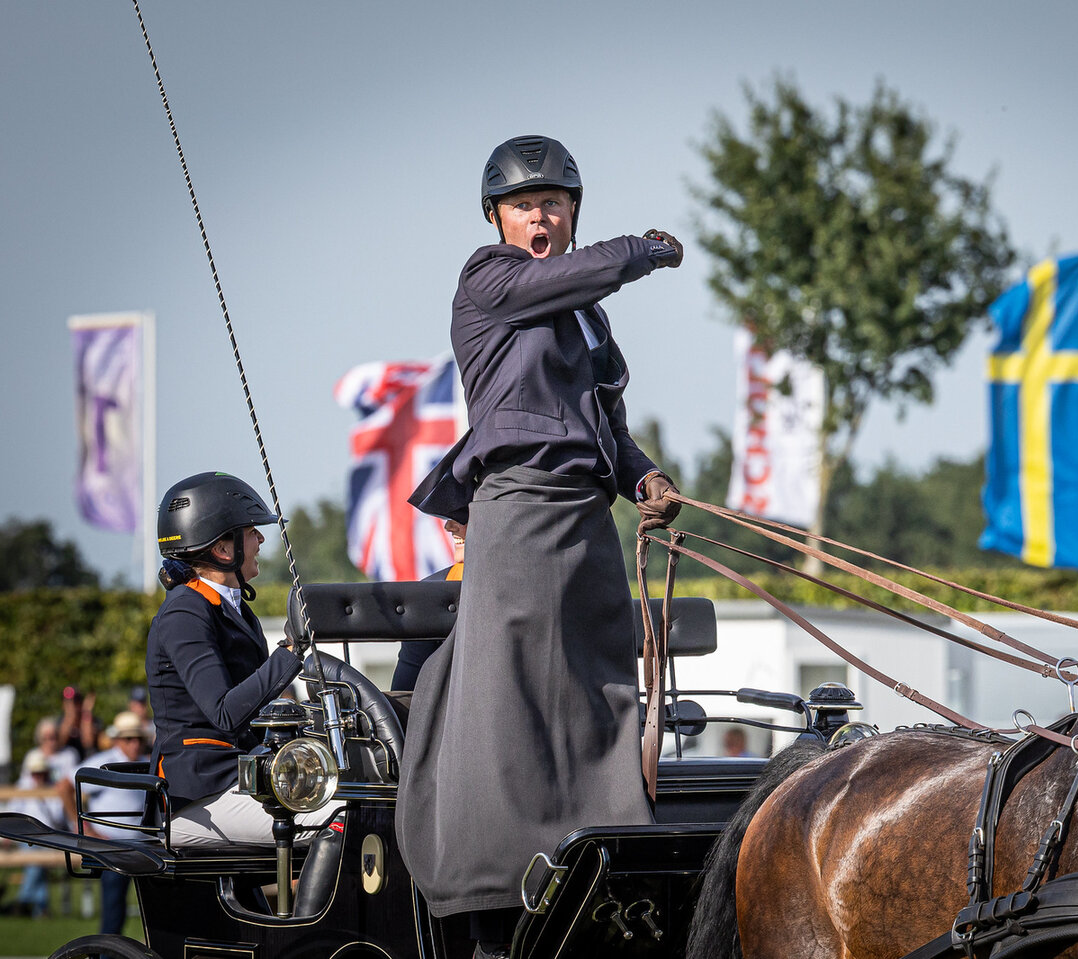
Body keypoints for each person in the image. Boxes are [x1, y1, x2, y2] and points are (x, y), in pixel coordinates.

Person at [396, 134, 683, 956]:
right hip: (517, 511)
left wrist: (646, 479)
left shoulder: (590, 321)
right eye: (526, 203)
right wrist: (640, 249)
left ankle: (599, 853)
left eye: (556, 201)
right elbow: (570, 273)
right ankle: (498, 875)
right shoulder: (488, 280)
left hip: (586, 522)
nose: (542, 214)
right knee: (510, 697)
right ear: (499, 219)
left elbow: (610, 426)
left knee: (599, 691)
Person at [147, 471, 340, 846]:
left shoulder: (233, 608)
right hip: (199, 795)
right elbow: (224, 711)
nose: (261, 539)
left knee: (366, 801)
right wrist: (290, 652)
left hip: (242, 777)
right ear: (223, 549)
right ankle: (307, 908)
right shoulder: (185, 612)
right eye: (252, 531)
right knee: (341, 820)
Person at [79, 712, 151, 934]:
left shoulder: (145, 763)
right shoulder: (103, 763)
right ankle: (107, 953)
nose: (134, 744)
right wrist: (85, 827)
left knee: (156, 911)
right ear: (118, 740)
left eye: (138, 738)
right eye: (129, 739)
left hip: (146, 847)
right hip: (113, 847)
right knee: (114, 911)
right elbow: (66, 786)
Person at [390, 519, 465, 692]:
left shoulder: (537, 585)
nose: (449, 526)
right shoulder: (426, 594)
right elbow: (405, 694)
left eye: (464, 515)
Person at [6, 752, 69, 917]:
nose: (38, 777)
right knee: (35, 862)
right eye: (35, 773)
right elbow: (12, 813)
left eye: (41, 773)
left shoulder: (54, 789)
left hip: (49, 837)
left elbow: (58, 819)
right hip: (27, 837)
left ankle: (23, 901)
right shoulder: (23, 788)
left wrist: (42, 797)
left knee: (35, 861)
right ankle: (40, 908)